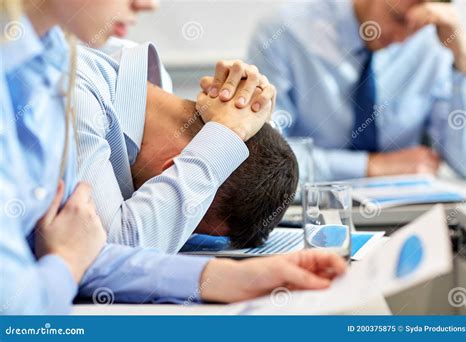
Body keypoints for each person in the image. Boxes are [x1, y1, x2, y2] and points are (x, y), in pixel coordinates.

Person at [0, 0, 346, 314]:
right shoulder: (70, 85)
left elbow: (86, 251)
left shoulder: (54, 59)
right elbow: (103, 246)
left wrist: (230, 277)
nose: (147, 5)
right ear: (173, 170)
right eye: (178, 216)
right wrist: (222, 136)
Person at [75, 42, 298, 250]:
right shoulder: (80, 95)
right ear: (172, 169)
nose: (177, 232)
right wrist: (228, 132)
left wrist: (237, 120)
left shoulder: (145, 87)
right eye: (183, 222)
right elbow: (110, 250)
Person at [248, 0, 466, 181]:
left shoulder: (433, 42)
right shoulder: (284, 31)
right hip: (311, 210)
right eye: (397, 18)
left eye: (415, 27)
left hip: (407, 212)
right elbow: (266, 160)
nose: (401, 38)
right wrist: (371, 166)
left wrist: (464, 62)